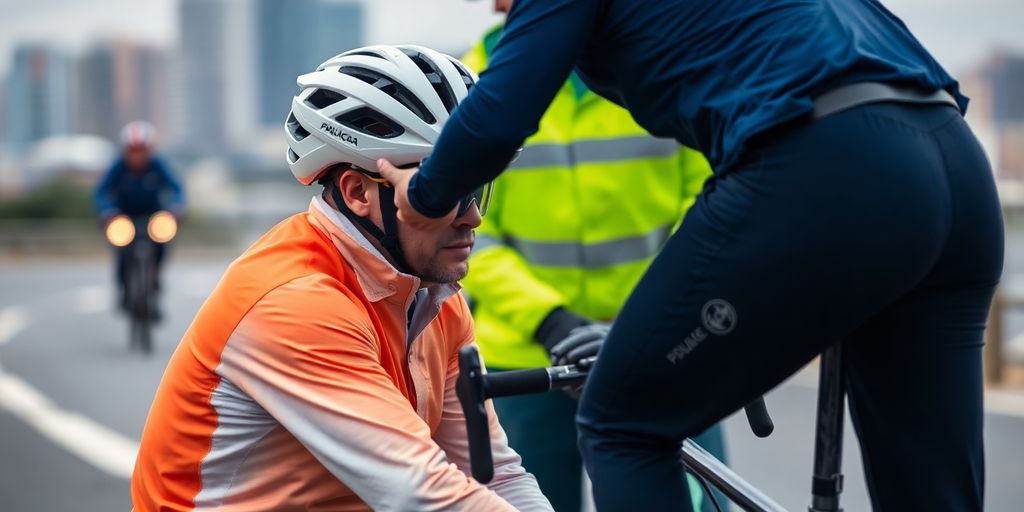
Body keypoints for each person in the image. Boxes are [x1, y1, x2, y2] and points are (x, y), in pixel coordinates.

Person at [375, 1, 1004, 510]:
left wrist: (421, 198)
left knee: (624, 424)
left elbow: (498, 117)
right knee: (930, 483)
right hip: (951, 163)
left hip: (826, 164)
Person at [131, 45, 552, 511]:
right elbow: (425, 496)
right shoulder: (296, 301)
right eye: (446, 192)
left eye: (478, 189)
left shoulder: (435, 297)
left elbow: (494, 476)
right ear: (357, 193)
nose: (472, 217)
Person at [459, 2, 725, 510]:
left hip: (666, 346)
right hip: (529, 365)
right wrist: (551, 320)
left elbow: (712, 197)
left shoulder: (667, 67)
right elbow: (472, 233)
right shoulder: (470, 87)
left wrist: (656, 309)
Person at [94, 121, 184, 316]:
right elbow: (101, 192)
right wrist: (107, 212)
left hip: (154, 216)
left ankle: (155, 280)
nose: (137, 155)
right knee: (121, 251)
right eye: (133, 150)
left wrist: (175, 208)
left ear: (150, 150)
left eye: (142, 150)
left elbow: (176, 187)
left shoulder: (158, 165)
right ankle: (124, 289)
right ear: (126, 150)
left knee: (162, 244)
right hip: (123, 217)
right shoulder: (118, 166)